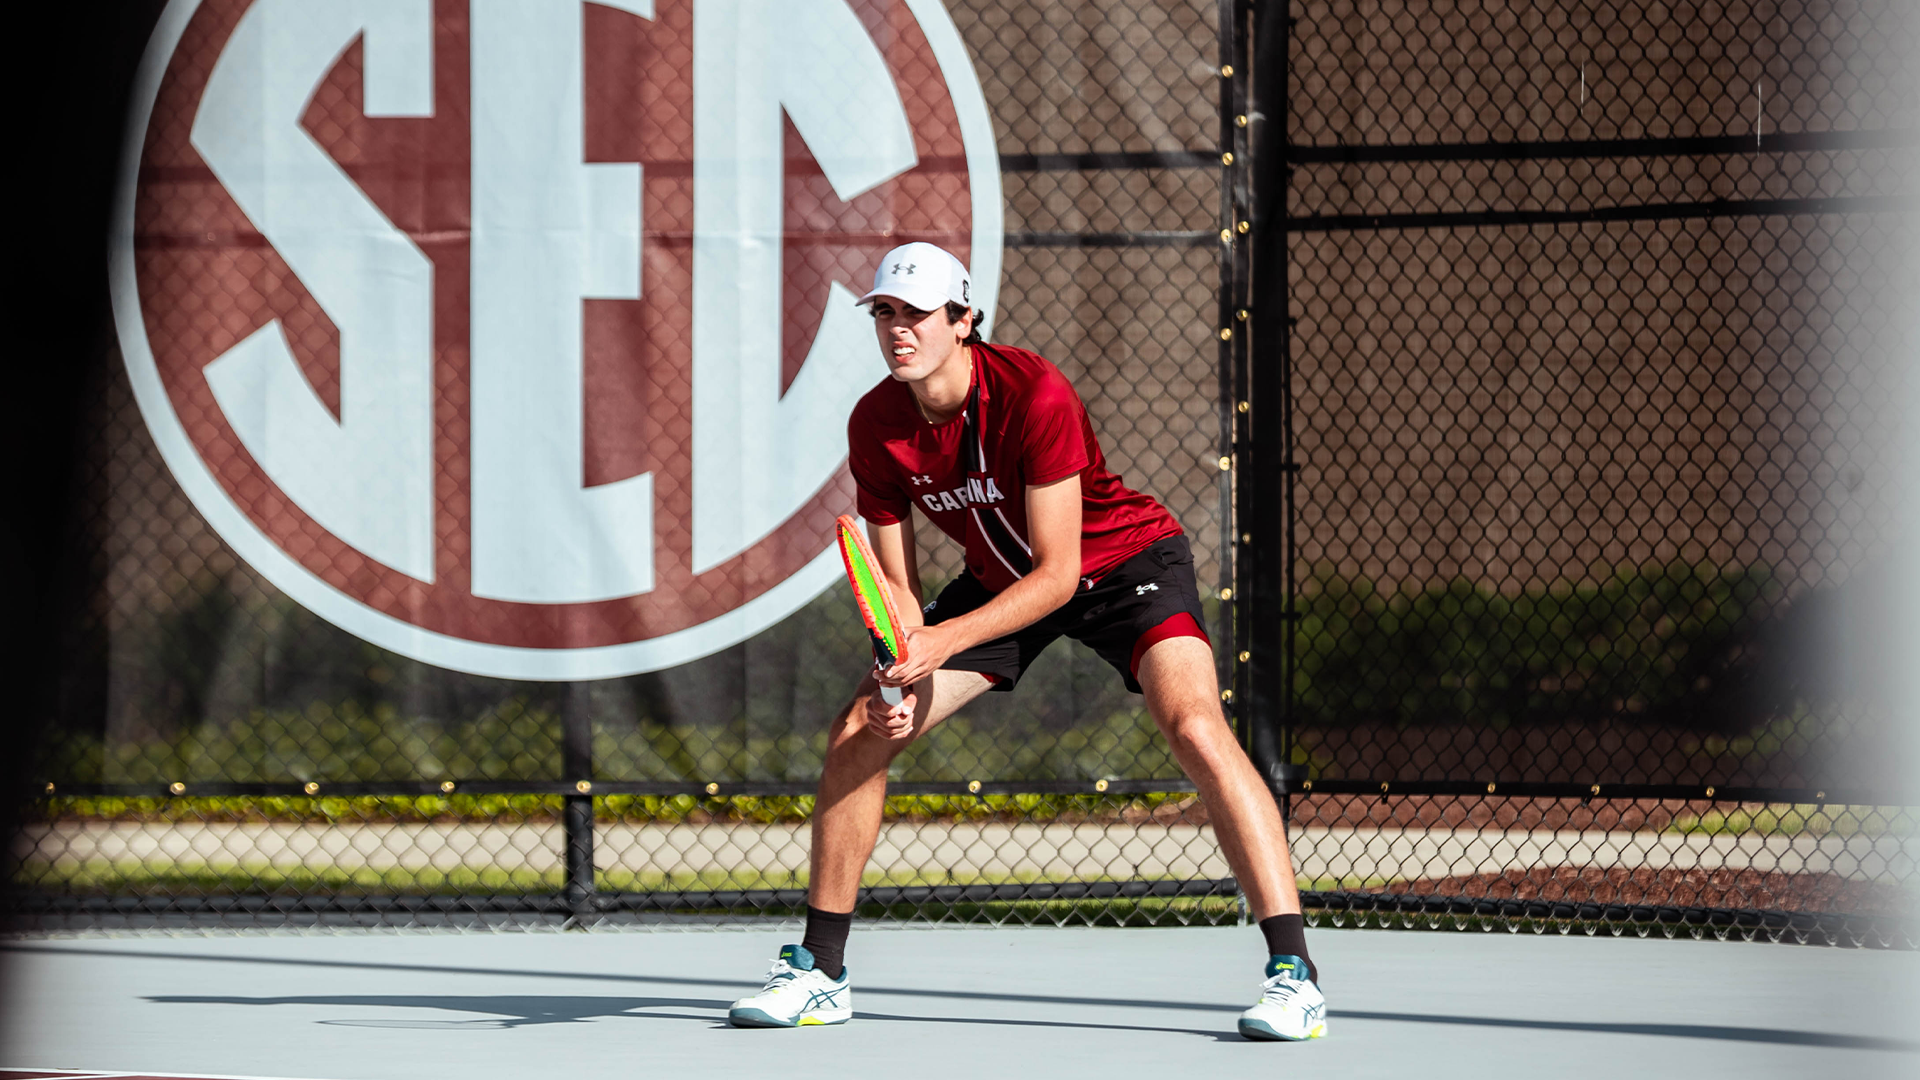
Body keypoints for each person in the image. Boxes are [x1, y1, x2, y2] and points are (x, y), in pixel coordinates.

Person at [727, 242, 1327, 1041]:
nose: (898, 330)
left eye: (916, 314)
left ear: (963, 320)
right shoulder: (875, 422)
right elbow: (895, 587)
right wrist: (899, 669)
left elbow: (1057, 573)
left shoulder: (1032, 391)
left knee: (1194, 726)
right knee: (857, 733)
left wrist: (940, 643)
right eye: (884, 314)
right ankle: (820, 971)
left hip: (1119, 563)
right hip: (999, 585)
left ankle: (1294, 974)